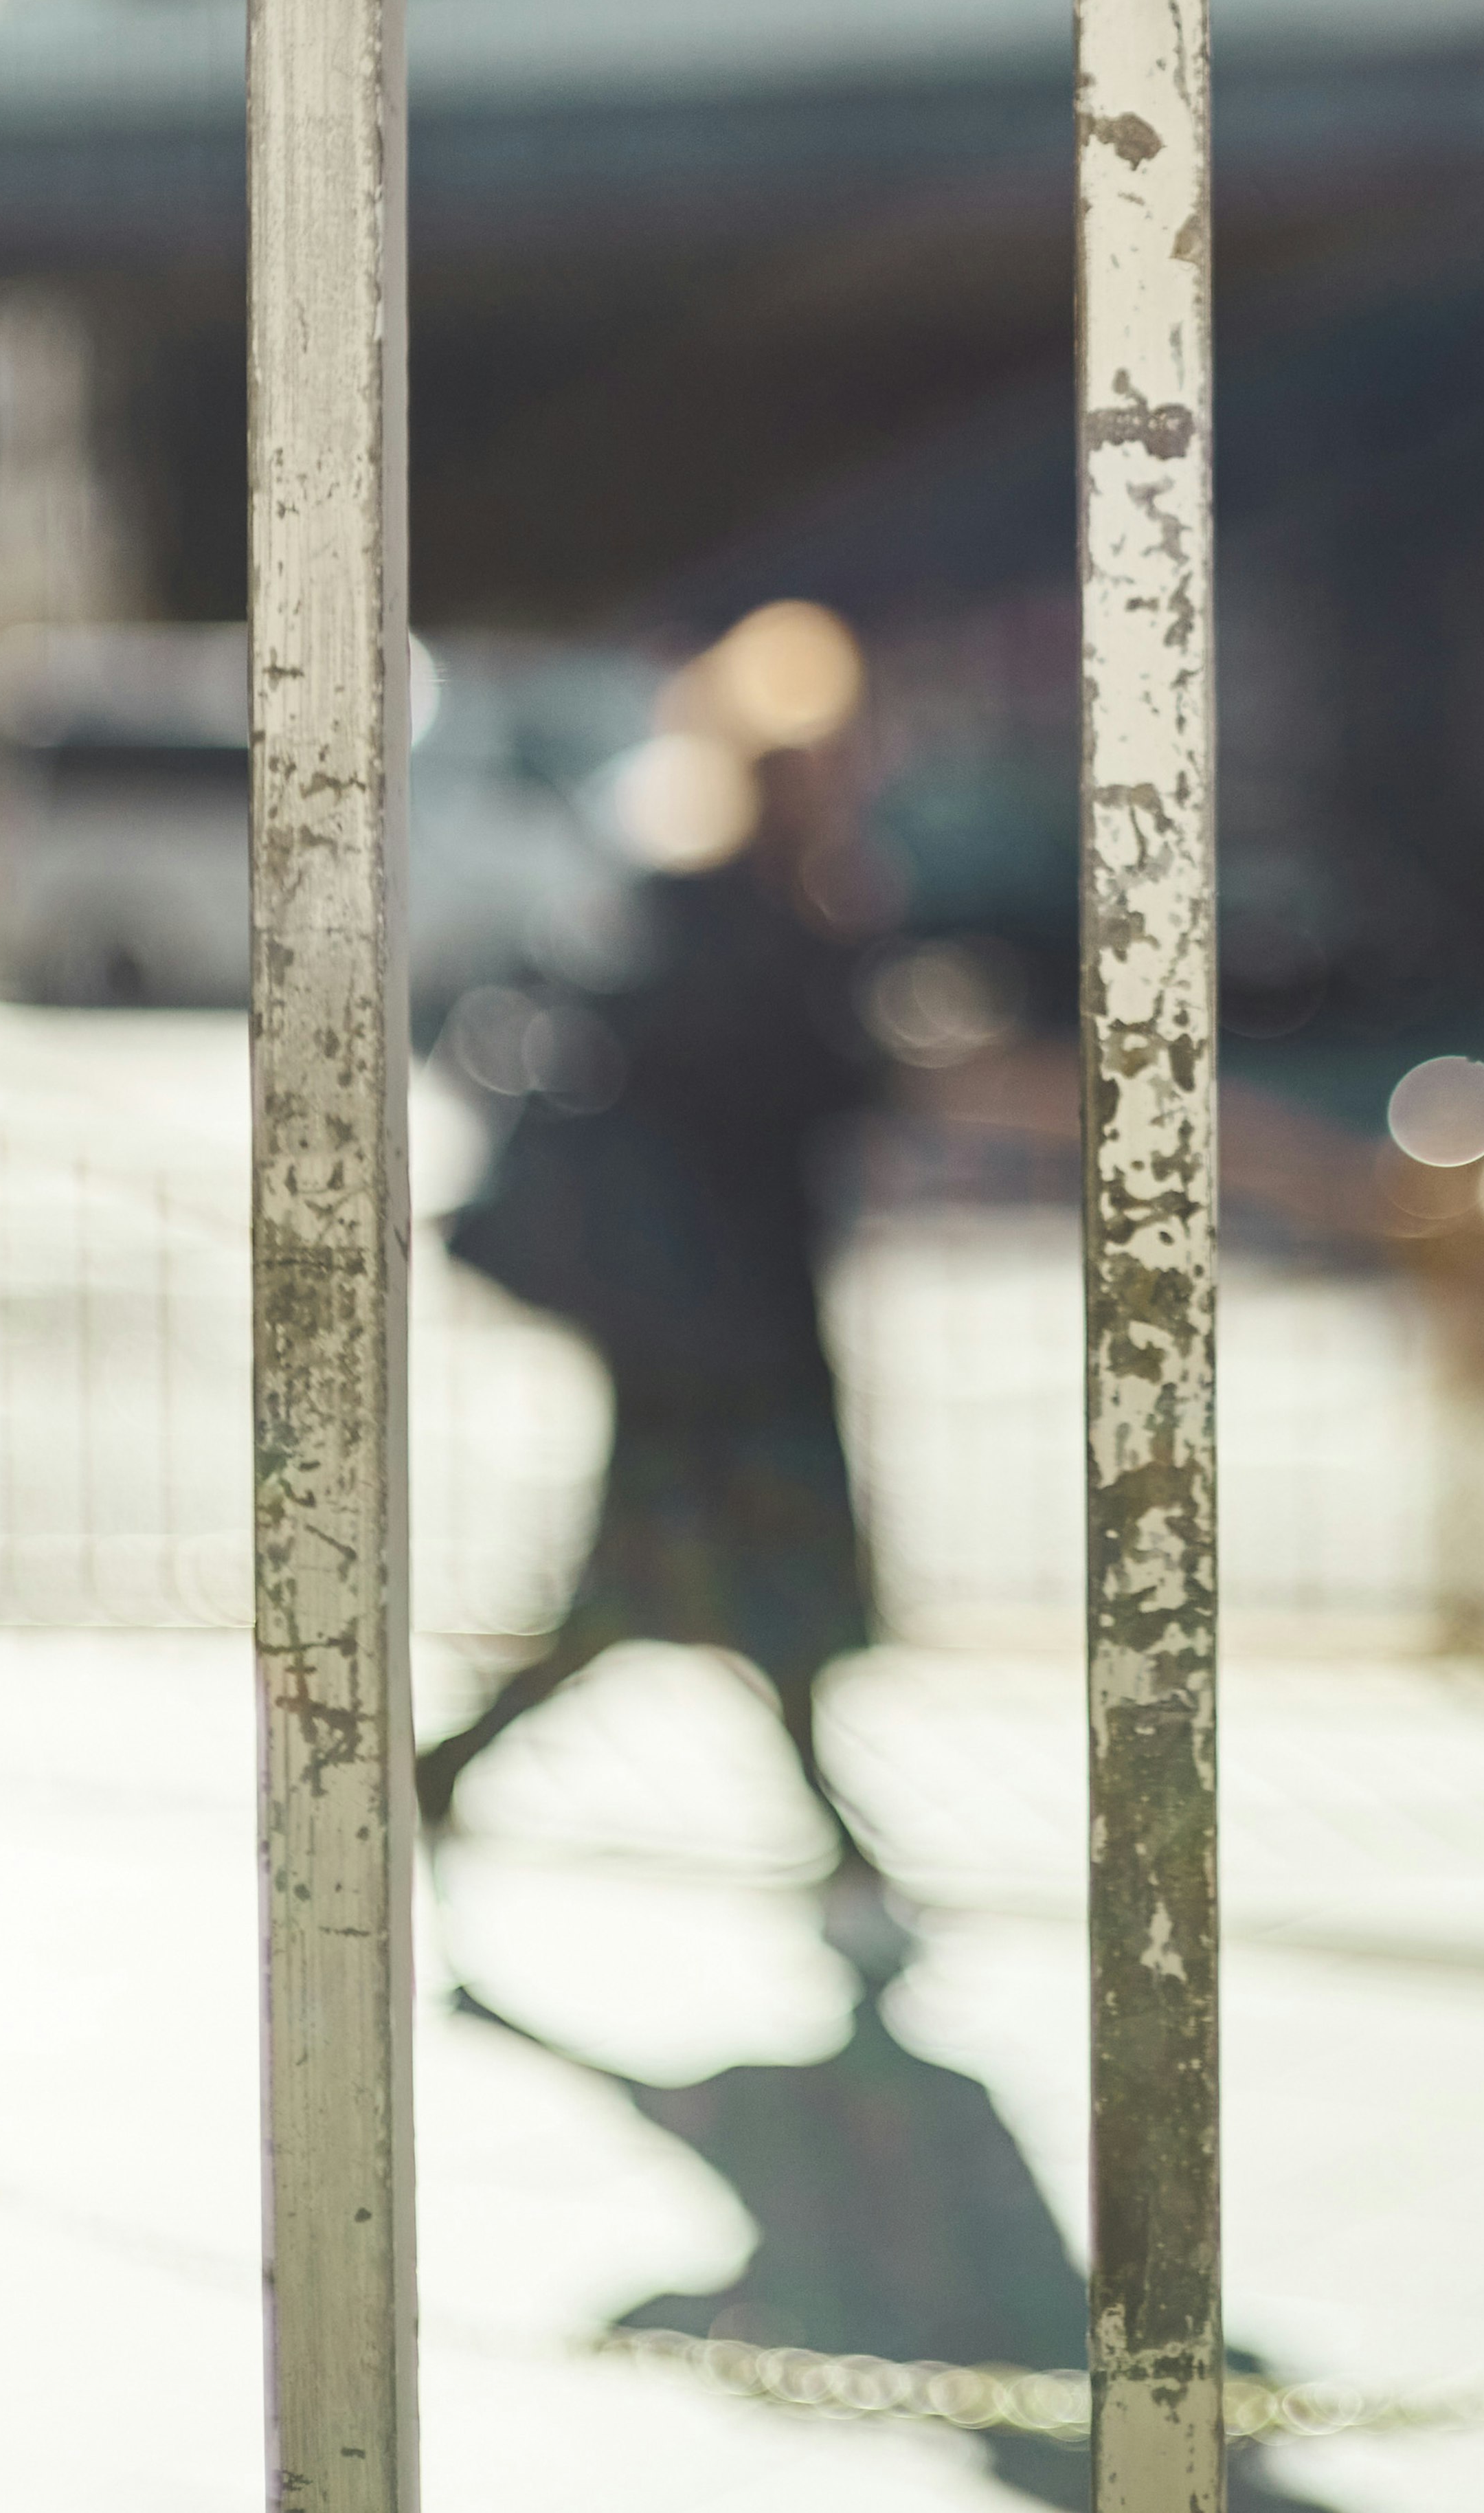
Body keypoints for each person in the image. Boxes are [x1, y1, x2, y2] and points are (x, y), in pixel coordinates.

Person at [418, 600, 910, 1981]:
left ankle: (454, 1772)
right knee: (690, 1593)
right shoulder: (717, 906)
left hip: (723, 1318)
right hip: (712, 1331)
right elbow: (783, 1085)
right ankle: (838, 1847)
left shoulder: (735, 896)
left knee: (702, 1595)